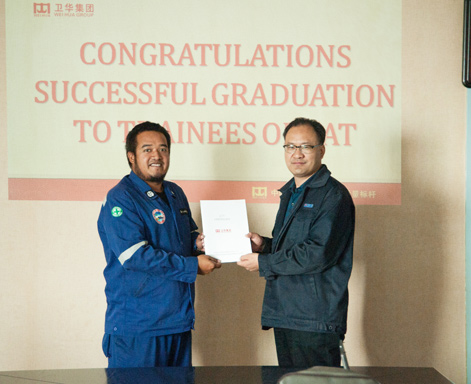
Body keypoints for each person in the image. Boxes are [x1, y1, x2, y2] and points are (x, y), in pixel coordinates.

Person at [97, 121, 221, 368]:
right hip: (138, 326)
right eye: (147, 149)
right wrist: (193, 266)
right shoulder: (120, 198)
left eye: (163, 149)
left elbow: (186, 238)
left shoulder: (175, 193)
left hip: (177, 321)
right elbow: (134, 256)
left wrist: (198, 244)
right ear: (131, 157)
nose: (157, 155)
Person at [237, 117, 355, 368]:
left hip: (314, 319)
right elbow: (294, 246)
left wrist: (264, 262)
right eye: (290, 146)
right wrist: (264, 246)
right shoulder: (291, 192)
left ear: (321, 150)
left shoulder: (333, 195)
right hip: (287, 314)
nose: (297, 154)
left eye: (306, 147)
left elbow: (318, 253)